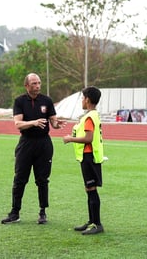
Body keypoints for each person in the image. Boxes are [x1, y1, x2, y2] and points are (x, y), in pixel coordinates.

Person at [1, 73, 66, 225]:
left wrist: (57, 124)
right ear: (27, 86)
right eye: (34, 84)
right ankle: (15, 212)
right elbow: (18, 124)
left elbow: (53, 122)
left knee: (42, 180)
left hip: (44, 144)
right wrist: (33, 122)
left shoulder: (47, 100)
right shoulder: (19, 101)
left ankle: (43, 212)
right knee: (20, 179)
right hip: (26, 144)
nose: (37, 86)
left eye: (39, 83)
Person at [63, 86, 104, 235]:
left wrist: (70, 139)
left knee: (91, 190)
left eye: (82, 98)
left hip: (89, 157)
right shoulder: (90, 115)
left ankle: (97, 224)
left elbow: (88, 138)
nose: (82, 100)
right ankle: (92, 221)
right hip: (87, 157)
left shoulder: (89, 117)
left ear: (87, 100)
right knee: (89, 189)